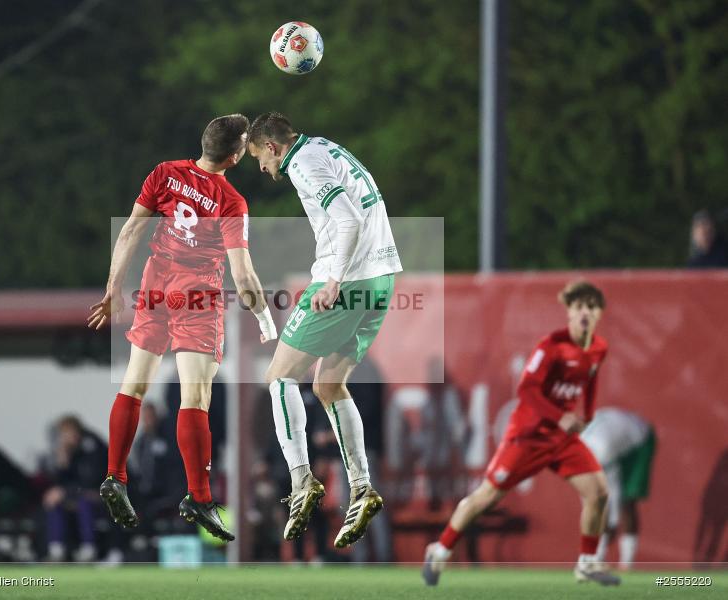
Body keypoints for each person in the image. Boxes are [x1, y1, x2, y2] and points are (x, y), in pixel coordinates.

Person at [88, 114, 278, 542]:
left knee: (133, 386)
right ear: (233, 157)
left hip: (156, 285)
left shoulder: (165, 173)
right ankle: (199, 496)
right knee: (196, 396)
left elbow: (131, 230)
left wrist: (112, 290)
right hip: (197, 297)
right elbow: (244, 276)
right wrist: (266, 320)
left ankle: (115, 476)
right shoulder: (231, 202)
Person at [247, 112, 402, 548]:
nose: (261, 167)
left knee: (278, 377)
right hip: (383, 278)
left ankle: (301, 480)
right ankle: (362, 486)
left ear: (273, 147)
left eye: (259, 156)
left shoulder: (303, 163)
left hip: (349, 278)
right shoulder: (326, 147)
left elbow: (348, 219)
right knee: (329, 386)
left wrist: (333, 279)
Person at [422, 281, 621, 586]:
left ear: (599, 314)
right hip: (528, 436)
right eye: (579, 306)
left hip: (562, 439)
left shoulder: (598, 348)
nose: (585, 313)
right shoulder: (551, 346)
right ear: (568, 311)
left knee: (598, 492)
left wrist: (589, 413)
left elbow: (591, 379)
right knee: (486, 498)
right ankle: (440, 550)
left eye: (591, 307)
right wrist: (560, 415)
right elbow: (526, 390)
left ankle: (588, 563)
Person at [580, 407, 656, 569]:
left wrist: (611, 523)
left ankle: (626, 564)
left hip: (639, 442)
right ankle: (596, 559)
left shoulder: (601, 450)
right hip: (616, 438)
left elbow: (611, 494)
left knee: (626, 502)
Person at [43, 416, 107, 562]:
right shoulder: (69, 451)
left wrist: (65, 492)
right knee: (55, 503)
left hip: (101, 494)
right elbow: (60, 482)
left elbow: (91, 481)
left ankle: (89, 549)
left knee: (84, 503)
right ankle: (56, 550)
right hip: (76, 495)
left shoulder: (92, 446)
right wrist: (63, 463)